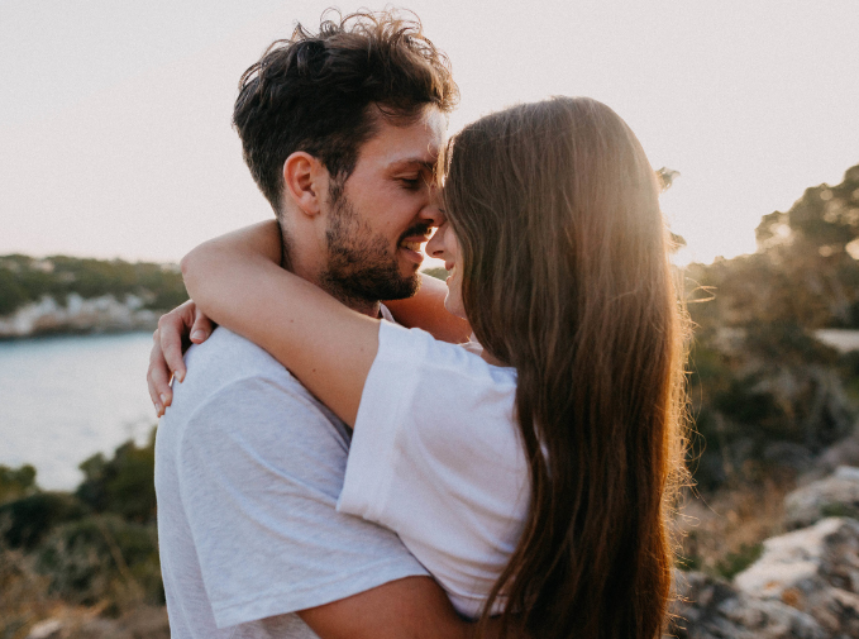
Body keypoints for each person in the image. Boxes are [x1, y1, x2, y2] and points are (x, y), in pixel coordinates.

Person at [151, 96, 690, 639]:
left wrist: (249, 281)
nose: (436, 229)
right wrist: (256, 286)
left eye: (459, 208)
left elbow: (212, 266)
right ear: (306, 183)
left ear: (519, 240)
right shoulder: (583, 391)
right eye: (411, 181)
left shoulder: (470, 404)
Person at [149, 9, 500, 639]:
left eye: (438, 179)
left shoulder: (408, 327)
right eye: (410, 179)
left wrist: (229, 268)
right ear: (307, 184)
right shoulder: (244, 392)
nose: (439, 208)